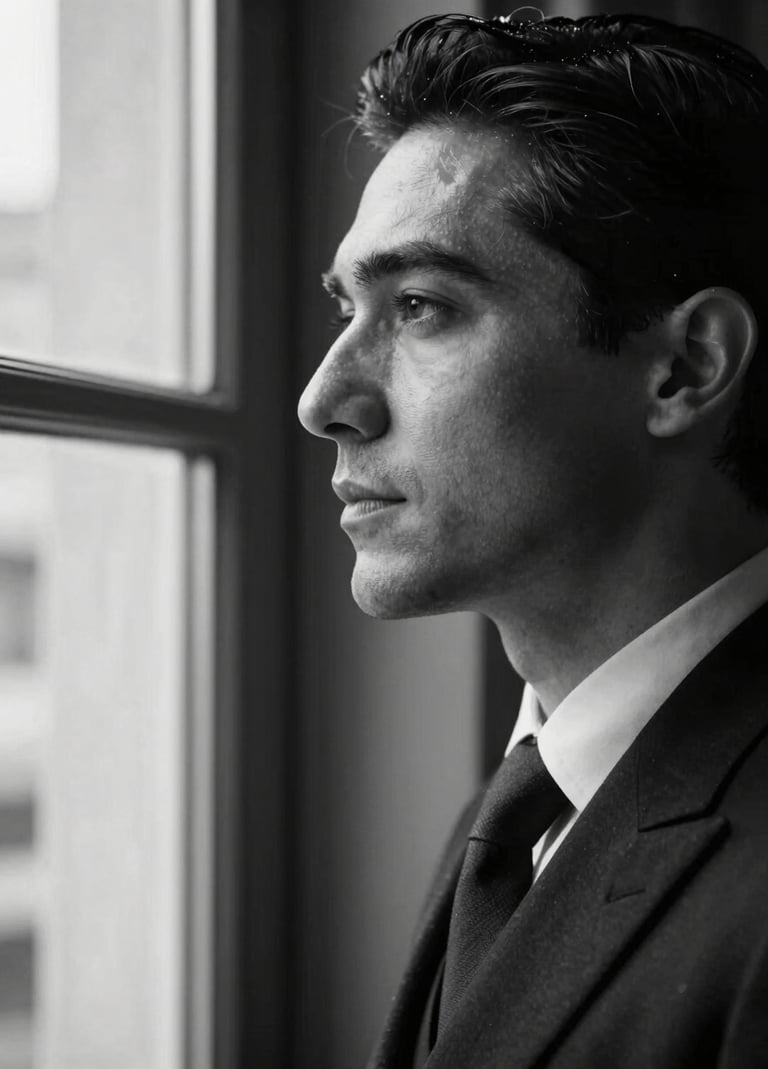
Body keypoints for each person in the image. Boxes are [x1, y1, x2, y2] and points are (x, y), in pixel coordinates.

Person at [297, 12, 768, 1068]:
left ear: (686, 367)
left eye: (420, 306)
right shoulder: (525, 809)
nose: (324, 398)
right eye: (346, 307)